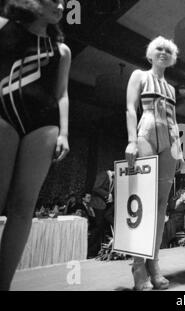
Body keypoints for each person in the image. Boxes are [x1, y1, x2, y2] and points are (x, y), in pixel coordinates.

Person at [0, 0, 71, 290]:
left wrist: (64, 132)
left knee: (22, 208)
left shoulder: (61, 50)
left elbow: (63, 93)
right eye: (54, 0)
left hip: (43, 122)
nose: (61, 5)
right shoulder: (4, 26)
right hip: (4, 113)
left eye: (64, 2)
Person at [125, 36, 184, 290]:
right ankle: (138, 267)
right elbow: (130, 108)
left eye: (168, 50)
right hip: (146, 133)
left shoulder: (171, 89)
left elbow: (173, 121)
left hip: (169, 142)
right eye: (159, 48)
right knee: (144, 201)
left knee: (161, 205)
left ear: (172, 57)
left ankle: (154, 263)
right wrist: (131, 141)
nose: (163, 52)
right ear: (150, 53)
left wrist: (180, 150)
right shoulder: (139, 75)